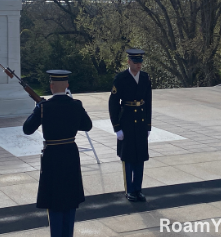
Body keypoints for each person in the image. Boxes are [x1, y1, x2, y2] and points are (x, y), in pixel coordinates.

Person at [23, 70, 93, 237]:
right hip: (70, 154)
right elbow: (87, 125)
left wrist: (37, 108)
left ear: (51, 86)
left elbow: (27, 129)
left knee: (54, 201)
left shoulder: (44, 108)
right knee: (70, 199)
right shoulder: (76, 105)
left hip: (52, 157)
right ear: (67, 85)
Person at [108, 48, 152, 202]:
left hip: (140, 121)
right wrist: (117, 127)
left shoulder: (145, 78)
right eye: (135, 62)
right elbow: (113, 103)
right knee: (128, 157)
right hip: (126, 120)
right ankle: (130, 190)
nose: (139, 65)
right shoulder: (121, 78)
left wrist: (148, 125)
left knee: (139, 157)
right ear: (129, 62)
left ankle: (138, 189)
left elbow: (148, 103)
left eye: (140, 62)